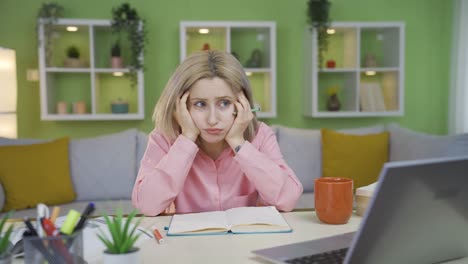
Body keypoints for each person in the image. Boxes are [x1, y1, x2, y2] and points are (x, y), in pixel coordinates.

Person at [132, 50, 303, 216]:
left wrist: (238, 143)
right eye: (200, 104)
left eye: (224, 103)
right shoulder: (164, 138)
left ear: (242, 103)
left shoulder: (261, 135)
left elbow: (287, 199)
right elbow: (147, 204)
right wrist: (186, 139)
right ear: (180, 106)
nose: (212, 119)